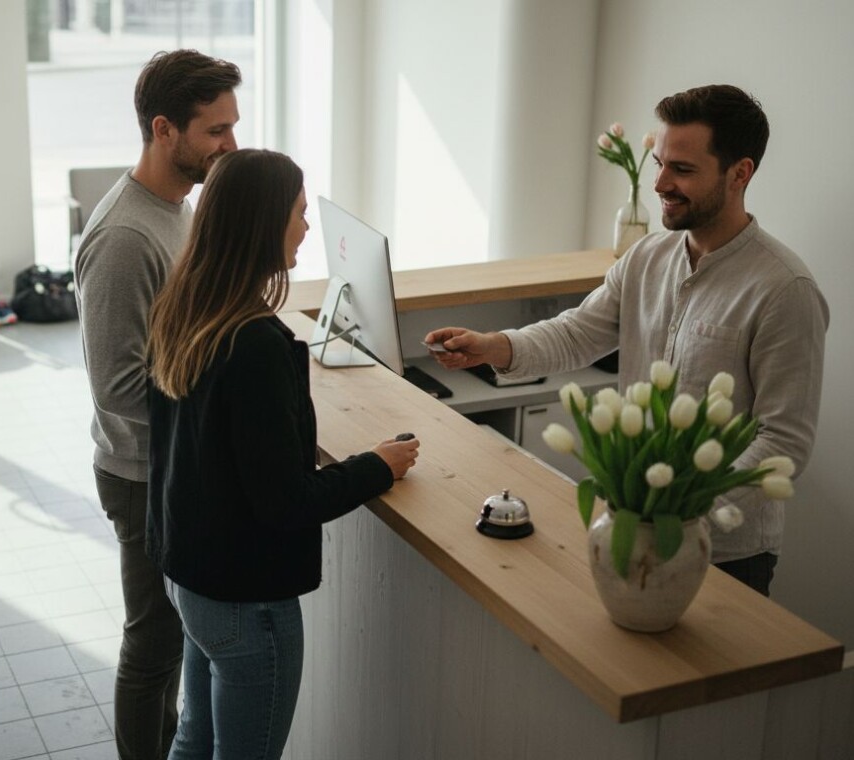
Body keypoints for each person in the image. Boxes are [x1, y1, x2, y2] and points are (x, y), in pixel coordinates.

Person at [425, 84, 828, 597]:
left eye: (682, 169)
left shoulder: (784, 290)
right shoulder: (646, 258)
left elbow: (783, 442)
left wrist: (679, 508)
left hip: (725, 557)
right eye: (659, 162)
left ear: (739, 174)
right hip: (631, 527)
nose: (660, 182)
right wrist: (493, 346)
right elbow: (576, 333)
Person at [146, 149, 420, 758]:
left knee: (194, 738)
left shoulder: (183, 308)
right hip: (247, 602)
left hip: (190, 576)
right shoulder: (255, 344)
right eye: (298, 213)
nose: (305, 228)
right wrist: (378, 464)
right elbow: (285, 503)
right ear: (263, 224)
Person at [72, 49, 242, 760]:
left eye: (233, 127)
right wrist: (214, 419)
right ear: (165, 130)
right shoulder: (123, 237)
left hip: (171, 466)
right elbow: (117, 388)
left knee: (175, 641)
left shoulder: (179, 207)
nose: (231, 145)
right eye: (216, 131)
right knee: (153, 646)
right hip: (144, 475)